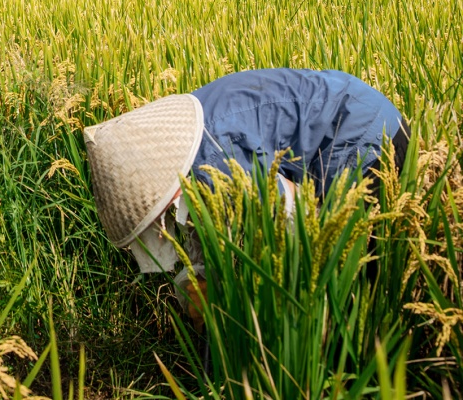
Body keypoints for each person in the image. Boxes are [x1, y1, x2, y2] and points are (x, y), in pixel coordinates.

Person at [83, 68, 409, 309]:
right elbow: (205, 224)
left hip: (368, 140)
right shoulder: (186, 147)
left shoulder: (213, 156)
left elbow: (289, 217)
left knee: (357, 282)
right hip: (344, 119)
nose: (160, 226)